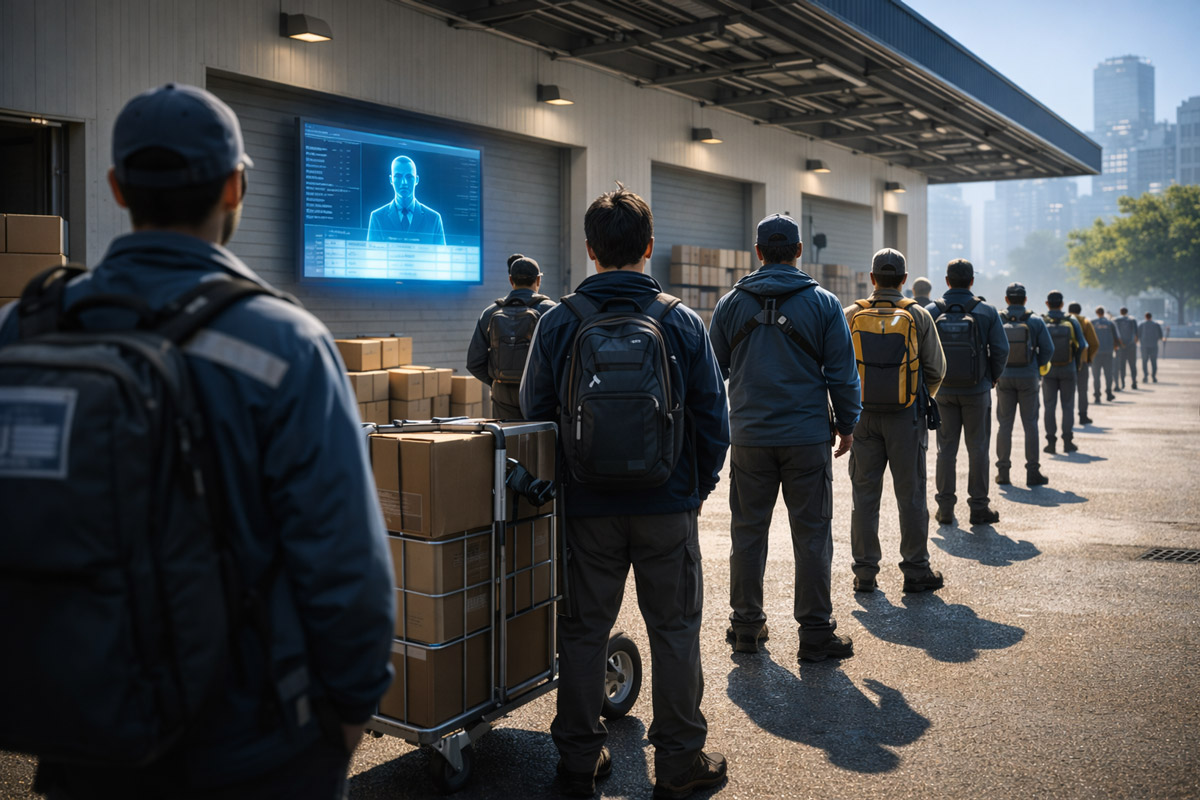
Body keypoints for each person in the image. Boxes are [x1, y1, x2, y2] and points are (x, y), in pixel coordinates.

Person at [0, 84, 395, 798]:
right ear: (236, 184)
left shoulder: (28, 329)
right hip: (250, 741)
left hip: (84, 723)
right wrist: (348, 713)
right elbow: (345, 567)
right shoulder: (287, 342)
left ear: (118, 187)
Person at [520, 186, 730, 800]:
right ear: (649, 246)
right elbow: (715, 423)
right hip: (668, 505)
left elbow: (534, 420)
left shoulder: (558, 322)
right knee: (674, 631)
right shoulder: (682, 320)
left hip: (586, 510)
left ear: (590, 250)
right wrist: (694, 489)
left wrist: (563, 484)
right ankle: (680, 765)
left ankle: (580, 760)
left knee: (584, 630)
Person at [708, 214, 861, 663]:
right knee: (812, 536)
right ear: (798, 251)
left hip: (750, 438)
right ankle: (815, 634)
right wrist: (848, 424)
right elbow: (843, 374)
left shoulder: (730, 304)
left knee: (747, 533)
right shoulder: (824, 303)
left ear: (758, 252)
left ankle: (745, 628)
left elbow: (711, 376)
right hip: (806, 438)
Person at [844, 249, 946, 594]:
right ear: (903, 280)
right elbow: (936, 369)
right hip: (906, 418)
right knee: (912, 494)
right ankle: (916, 570)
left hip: (861, 418)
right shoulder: (918, 315)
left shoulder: (850, 314)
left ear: (872, 278)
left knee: (864, 496)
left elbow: (833, 369)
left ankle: (865, 573)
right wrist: (912, 393)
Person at [927, 259, 1008, 526]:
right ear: (972, 281)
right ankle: (978, 508)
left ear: (947, 281)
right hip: (977, 390)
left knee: (945, 450)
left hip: (942, 391)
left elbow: (919, 351)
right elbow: (1001, 349)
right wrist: (992, 377)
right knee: (978, 449)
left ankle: (945, 509)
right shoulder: (986, 311)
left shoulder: (931, 310)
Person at [465, 253, 555, 418]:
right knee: (541, 440)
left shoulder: (490, 312)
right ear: (538, 280)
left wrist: (497, 382)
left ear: (511, 281)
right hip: (539, 391)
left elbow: (474, 362)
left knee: (507, 440)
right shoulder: (551, 311)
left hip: (502, 392)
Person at [995, 283, 1054, 486]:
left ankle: (1003, 472)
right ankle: (1032, 472)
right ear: (1025, 300)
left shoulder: (999, 318)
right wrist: (1037, 367)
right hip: (1029, 377)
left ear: (1007, 299)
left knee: (1004, 425)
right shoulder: (1035, 320)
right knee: (1030, 425)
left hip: (1004, 376)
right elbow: (1048, 349)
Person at [1041, 291, 1086, 455]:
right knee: (1068, 406)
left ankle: (1051, 443)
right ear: (1062, 304)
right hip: (1069, 368)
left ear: (1047, 304)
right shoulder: (1071, 320)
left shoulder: (1042, 320)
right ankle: (1068, 442)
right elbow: (1082, 345)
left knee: (1049, 406)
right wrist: (1075, 360)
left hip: (1048, 370)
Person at [366, 155, 446, 244]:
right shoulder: (377, 217)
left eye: (409, 177)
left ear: (416, 180)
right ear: (391, 179)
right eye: (398, 176)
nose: (404, 182)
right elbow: (371, 256)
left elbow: (441, 257)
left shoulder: (434, 219)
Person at [1067, 302, 1099, 425]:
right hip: (1081, 361)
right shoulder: (1085, 322)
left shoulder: (1064, 320)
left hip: (1065, 361)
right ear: (1080, 310)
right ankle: (1082, 416)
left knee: (1068, 391)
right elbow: (1094, 343)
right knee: (1082, 390)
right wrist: (1088, 358)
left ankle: (1068, 418)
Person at [1090, 306, 1120, 403]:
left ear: (1096, 313)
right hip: (1108, 352)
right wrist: (1116, 348)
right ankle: (1108, 393)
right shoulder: (1110, 323)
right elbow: (1116, 338)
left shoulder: (1092, 323)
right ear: (1103, 313)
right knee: (1108, 374)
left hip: (1096, 353)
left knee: (1096, 376)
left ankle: (1097, 396)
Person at [1113, 307, 1139, 390]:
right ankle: (1134, 381)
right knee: (1132, 365)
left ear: (1120, 312)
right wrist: (1133, 343)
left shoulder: (1116, 320)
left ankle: (1123, 383)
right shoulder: (1132, 320)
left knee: (1121, 365)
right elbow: (1136, 334)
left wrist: (1119, 344)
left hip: (1121, 347)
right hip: (1131, 346)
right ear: (1127, 312)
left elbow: (1115, 335)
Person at [1139, 311, 1164, 383]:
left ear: (1145, 317)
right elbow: (1160, 336)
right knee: (1153, 362)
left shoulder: (1142, 325)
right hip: (1154, 345)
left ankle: (1145, 376)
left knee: (1144, 362)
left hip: (1144, 346)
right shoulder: (1156, 325)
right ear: (1151, 317)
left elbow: (1138, 335)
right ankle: (1153, 376)